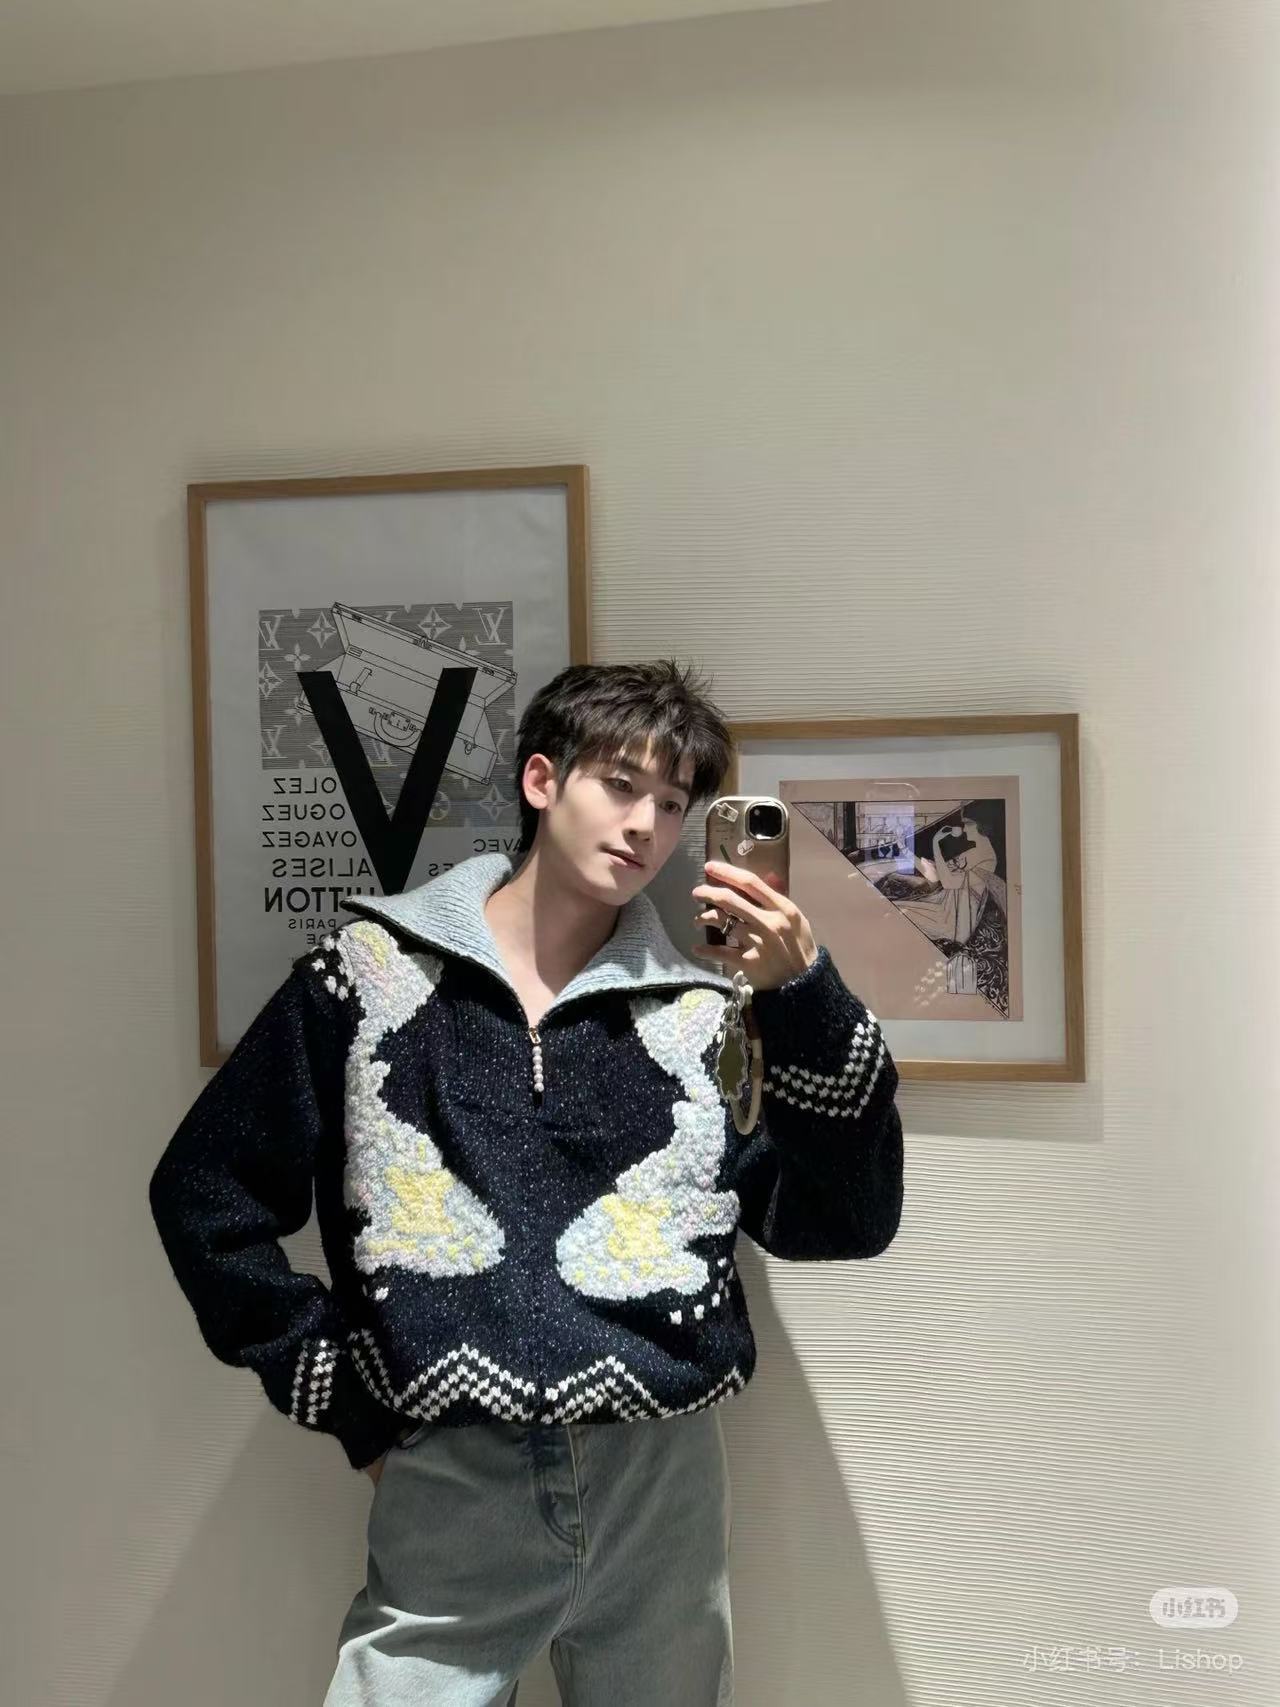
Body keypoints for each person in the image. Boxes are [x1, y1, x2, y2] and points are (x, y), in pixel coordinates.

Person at [148, 658, 905, 1707]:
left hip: (662, 1483)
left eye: (672, 803)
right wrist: (342, 1396)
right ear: (542, 780)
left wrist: (803, 996)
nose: (644, 825)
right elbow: (204, 1193)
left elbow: (845, 1219)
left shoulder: (697, 1018)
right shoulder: (369, 975)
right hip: (454, 1480)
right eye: (620, 784)